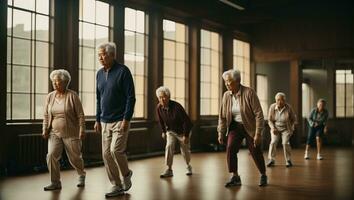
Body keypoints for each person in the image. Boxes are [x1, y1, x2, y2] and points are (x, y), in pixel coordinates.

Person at [94, 42, 136, 198]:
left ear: (112, 55)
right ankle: (116, 185)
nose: (100, 57)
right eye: (98, 55)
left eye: (103, 54)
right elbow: (99, 98)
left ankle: (126, 174)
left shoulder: (123, 71)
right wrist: (97, 119)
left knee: (115, 150)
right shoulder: (99, 74)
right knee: (106, 154)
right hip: (104, 120)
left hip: (120, 119)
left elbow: (131, 98)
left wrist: (126, 118)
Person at [217, 69, 267, 187]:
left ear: (238, 81)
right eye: (225, 82)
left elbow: (259, 114)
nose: (227, 84)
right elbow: (222, 116)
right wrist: (221, 132)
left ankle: (263, 174)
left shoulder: (249, 93)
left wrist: (258, 133)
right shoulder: (226, 96)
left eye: (229, 82)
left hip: (250, 126)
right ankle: (235, 176)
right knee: (230, 148)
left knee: (255, 151)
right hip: (235, 126)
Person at [42, 69, 86, 191]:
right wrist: (45, 128)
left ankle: (81, 174)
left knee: (75, 158)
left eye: (58, 82)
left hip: (71, 133)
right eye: (53, 82)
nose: (55, 84)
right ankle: (55, 182)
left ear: (65, 83)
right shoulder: (50, 96)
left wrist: (82, 129)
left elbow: (80, 115)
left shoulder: (73, 96)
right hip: (54, 133)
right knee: (51, 155)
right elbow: (46, 114)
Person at [156, 86, 193, 178]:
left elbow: (186, 121)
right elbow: (161, 121)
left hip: (183, 131)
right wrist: (163, 131)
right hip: (171, 131)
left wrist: (186, 135)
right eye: (160, 97)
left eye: (164, 97)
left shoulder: (177, 107)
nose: (162, 99)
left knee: (185, 150)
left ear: (168, 97)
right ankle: (169, 169)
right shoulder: (159, 108)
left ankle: (188, 166)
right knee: (169, 146)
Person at [266, 92, 297, 168]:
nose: (279, 102)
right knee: (273, 142)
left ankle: (288, 160)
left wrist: (292, 128)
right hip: (275, 128)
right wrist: (273, 128)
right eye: (278, 100)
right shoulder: (272, 107)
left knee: (285, 143)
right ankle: (271, 160)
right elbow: (269, 120)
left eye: (281, 100)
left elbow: (293, 119)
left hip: (286, 128)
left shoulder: (288, 108)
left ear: (285, 100)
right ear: (275, 100)